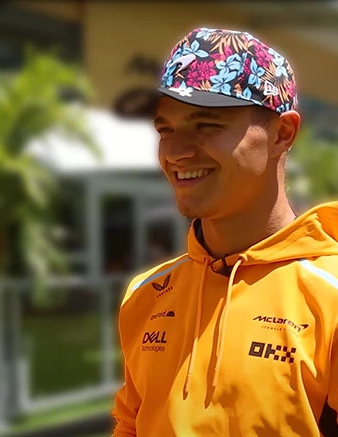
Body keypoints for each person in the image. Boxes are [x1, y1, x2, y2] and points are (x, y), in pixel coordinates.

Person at [112, 27, 338, 436]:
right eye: (165, 129)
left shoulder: (330, 296)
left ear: (282, 133)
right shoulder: (145, 295)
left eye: (206, 125)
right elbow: (130, 424)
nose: (176, 152)